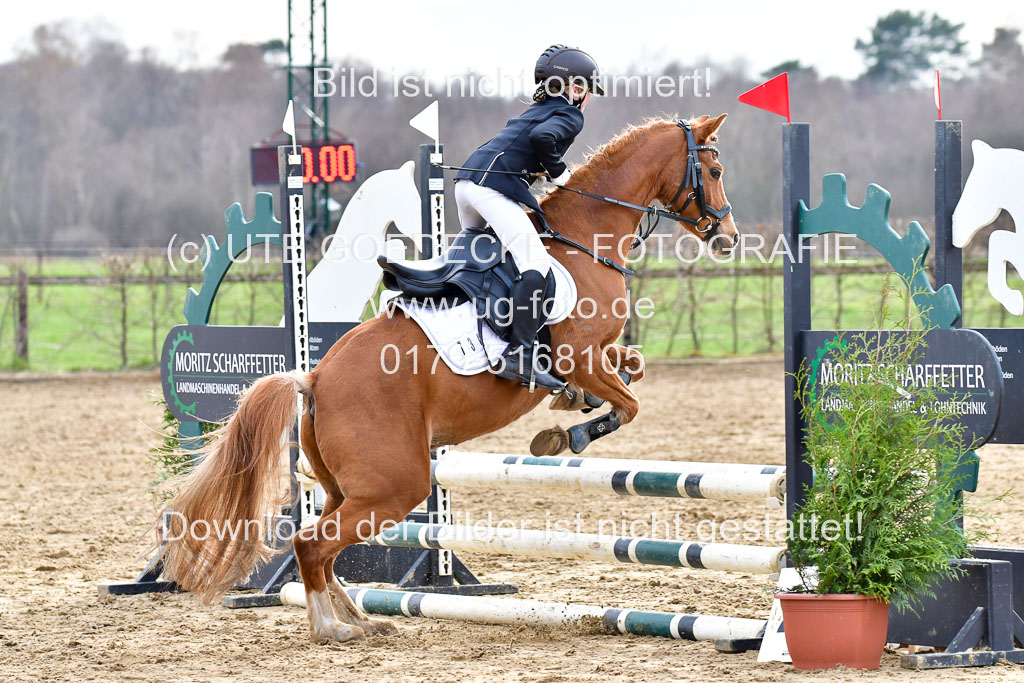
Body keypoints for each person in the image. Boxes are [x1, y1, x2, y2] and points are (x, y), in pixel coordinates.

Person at [454, 45, 603, 392]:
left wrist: (532, 172)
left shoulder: (537, 109)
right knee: (535, 264)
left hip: (465, 186)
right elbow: (541, 139)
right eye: (587, 90)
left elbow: (521, 141)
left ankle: (472, 329)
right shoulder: (571, 115)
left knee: (484, 260)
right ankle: (519, 353)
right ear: (575, 88)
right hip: (491, 190)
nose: (587, 98)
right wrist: (559, 174)